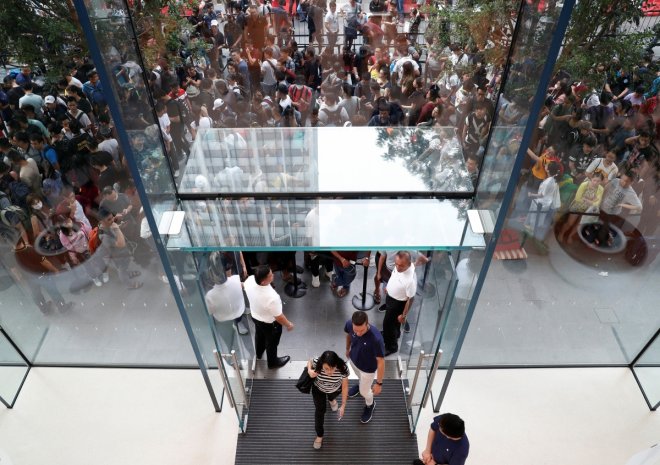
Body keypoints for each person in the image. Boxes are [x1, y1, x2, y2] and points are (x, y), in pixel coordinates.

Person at [244, 265, 294, 368]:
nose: (273, 275)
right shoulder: (272, 297)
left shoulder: (249, 280)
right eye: (270, 275)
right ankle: (272, 362)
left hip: (255, 316)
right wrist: (288, 325)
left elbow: (243, 285)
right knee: (272, 342)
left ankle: (258, 353)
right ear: (263, 282)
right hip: (270, 324)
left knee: (259, 335)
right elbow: (279, 317)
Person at [204, 252, 250, 355]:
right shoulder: (235, 280)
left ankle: (233, 357)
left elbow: (210, 311)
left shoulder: (210, 295)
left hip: (225, 319)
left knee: (229, 342)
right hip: (230, 316)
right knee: (231, 341)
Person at [344, 310, 385, 424]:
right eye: (355, 330)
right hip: (354, 361)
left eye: (361, 330)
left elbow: (381, 361)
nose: (358, 333)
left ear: (367, 323)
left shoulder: (376, 339)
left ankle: (370, 404)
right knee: (360, 379)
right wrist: (347, 349)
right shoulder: (349, 324)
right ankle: (361, 384)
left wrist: (379, 383)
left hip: (368, 370)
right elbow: (348, 335)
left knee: (365, 392)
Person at [307, 350, 349, 450]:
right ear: (322, 364)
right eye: (326, 369)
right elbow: (310, 360)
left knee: (331, 395)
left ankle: (331, 399)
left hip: (335, 389)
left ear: (336, 365)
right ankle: (319, 436)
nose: (329, 372)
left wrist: (343, 406)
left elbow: (345, 387)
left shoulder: (342, 367)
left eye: (332, 368)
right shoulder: (318, 362)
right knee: (320, 411)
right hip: (318, 390)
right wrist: (309, 370)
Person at [381, 251, 417, 356]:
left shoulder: (410, 280)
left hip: (398, 303)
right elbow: (394, 276)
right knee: (393, 324)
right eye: (396, 263)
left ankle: (391, 347)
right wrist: (388, 288)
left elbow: (410, 299)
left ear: (409, 264)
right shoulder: (399, 268)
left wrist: (404, 315)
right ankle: (394, 334)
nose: (397, 267)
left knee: (387, 323)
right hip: (391, 298)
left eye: (401, 265)